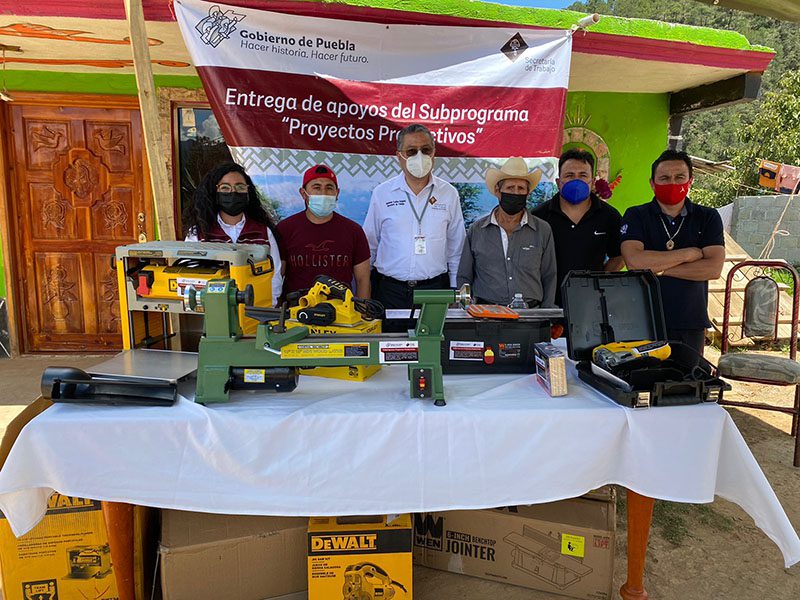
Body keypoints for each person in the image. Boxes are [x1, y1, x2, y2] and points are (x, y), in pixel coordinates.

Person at [620, 149, 725, 358]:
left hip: (689, 321)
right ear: (652, 183)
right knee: (642, 377)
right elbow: (634, 262)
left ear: (690, 181)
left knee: (687, 377)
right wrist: (688, 254)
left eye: (679, 177)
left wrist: (659, 269)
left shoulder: (708, 217)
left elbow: (713, 268)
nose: (672, 183)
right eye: (664, 178)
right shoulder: (636, 215)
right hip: (642, 320)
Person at [363, 124, 466, 313]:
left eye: (426, 150)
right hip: (388, 291)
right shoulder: (382, 193)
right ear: (399, 156)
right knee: (389, 334)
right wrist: (364, 292)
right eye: (411, 151)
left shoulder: (449, 194)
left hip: (435, 290)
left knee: (431, 334)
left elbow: (456, 248)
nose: (420, 157)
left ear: (434, 153)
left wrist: (454, 291)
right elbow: (370, 246)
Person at [457, 157, 557, 307]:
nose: (515, 192)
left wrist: (546, 314)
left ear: (528, 193)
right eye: (510, 188)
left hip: (530, 314)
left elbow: (549, 276)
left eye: (521, 188)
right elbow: (464, 276)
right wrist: (466, 308)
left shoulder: (542, 230)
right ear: (498, 191)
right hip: (486, 313)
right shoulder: (477, 230)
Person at [533, 148, 624, 305]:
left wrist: (599, 280)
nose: (576, 181)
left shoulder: (609, 216)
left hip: (593, 304)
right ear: (558, 182)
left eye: (583, 175)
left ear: (592, 181)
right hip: (548, 304)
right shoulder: (539, 216)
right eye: (569, 175)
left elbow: (619, 255)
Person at [183, 162, 282, 305]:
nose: (233, 192)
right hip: (212, 308)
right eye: (225, 187)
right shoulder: (198, 233)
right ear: (215, 191)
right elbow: (189, 276)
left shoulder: (264, 232)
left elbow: (275, 275)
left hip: (255, 309)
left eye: (240, 187)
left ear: (248, 192)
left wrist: (266, 307)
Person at [276, 164, 371, 299]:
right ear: (303, 193)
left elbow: (363, 280)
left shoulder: (354, 231)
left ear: (337, 193)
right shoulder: (285, 229)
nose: (323, 193)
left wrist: (362, 310)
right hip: (296, 309)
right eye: (317, 187)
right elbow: (277, 277)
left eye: (329, 188)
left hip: (341, 309)